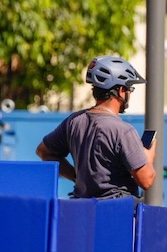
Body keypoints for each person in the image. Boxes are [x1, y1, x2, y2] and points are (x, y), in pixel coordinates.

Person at [36, 56, 156, 200]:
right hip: (115, 214)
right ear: (121, 91)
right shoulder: (123, 131)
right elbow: (146, 180)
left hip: (81, 211)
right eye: (129, 89)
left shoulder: (74, 122)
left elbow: (43, 152)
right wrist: (148, 157)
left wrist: (76, 176)